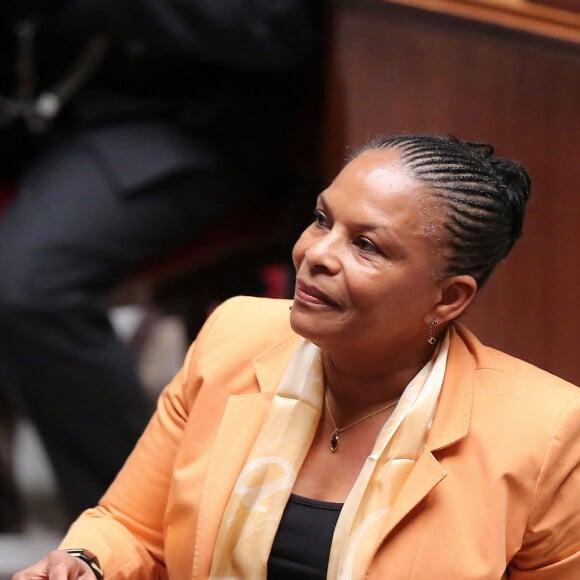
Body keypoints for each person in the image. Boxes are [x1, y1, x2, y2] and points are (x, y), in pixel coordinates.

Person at [13, 134, 580, 579]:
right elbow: (131, 526)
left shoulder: (544, 432)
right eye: (322, 220)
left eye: (366, 245)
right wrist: (86, 563)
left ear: (449, 296)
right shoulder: (235, 336)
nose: (315, 255)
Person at [0, 0, 318, 529]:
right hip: (49, 101)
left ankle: (132, 529)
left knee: (29, 285)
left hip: (182, 120)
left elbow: (274, 24)